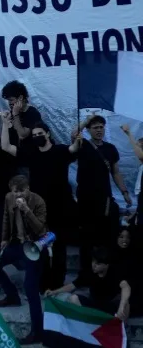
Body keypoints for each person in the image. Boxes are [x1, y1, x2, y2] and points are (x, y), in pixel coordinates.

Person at [0, 118, 76, 289]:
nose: (37, 137)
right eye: (34, 135)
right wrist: (5, 123)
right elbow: (6, 147)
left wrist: (78, 134)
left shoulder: (60, 151)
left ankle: (57, 284)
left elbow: (74, 149)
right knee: (39, 246)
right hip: (39, 210)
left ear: (48, 134)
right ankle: (42, 283)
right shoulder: (32, 152)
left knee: (58, 247)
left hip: (61, 208)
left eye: (40, 134)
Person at [0, 175, 47, 344]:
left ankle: (37, 331)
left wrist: (27, 210)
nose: (17, 196)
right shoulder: (9, 197)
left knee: (30, 287)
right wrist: (4, 238)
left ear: (27, 189)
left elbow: (41, 229)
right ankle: (12, 295)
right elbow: (6, 217)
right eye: (14, 192)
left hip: (34, 246)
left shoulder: (39, 201)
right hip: (17, 244)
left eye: (20, 192)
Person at [70, 115, 132, 274]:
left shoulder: (110, 149)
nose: (99, 130)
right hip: (85, 199)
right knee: (86, 238)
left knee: (108, 237)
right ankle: (86, 273)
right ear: (89, 130)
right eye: (95, 127)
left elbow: (116, 172)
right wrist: (86, 120)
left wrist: (124, 192)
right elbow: (73, 134)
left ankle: (108, 272)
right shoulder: (82, 144)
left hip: (104, 198)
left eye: (101, 127)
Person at [45, 247, 132, 320]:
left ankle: (122, 329)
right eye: (93, 261)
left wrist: (121, 306)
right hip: (94, 304)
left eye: (98, 263)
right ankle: (86, 326)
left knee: (126, 303)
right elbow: (72, 285)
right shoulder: (89, 272)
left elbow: (126, 287)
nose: (94, 265)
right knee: (73, 298)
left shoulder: (114, 271)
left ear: (106, 265)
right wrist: (53, 292)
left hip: (109, 305)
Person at [1, 80, 42, 146]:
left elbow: (22, 135)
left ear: (20, 97)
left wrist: (16, 115)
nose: (9, 103)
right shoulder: (14, 111)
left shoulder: (33, 113)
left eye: (11, 100)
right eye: (8, 100)